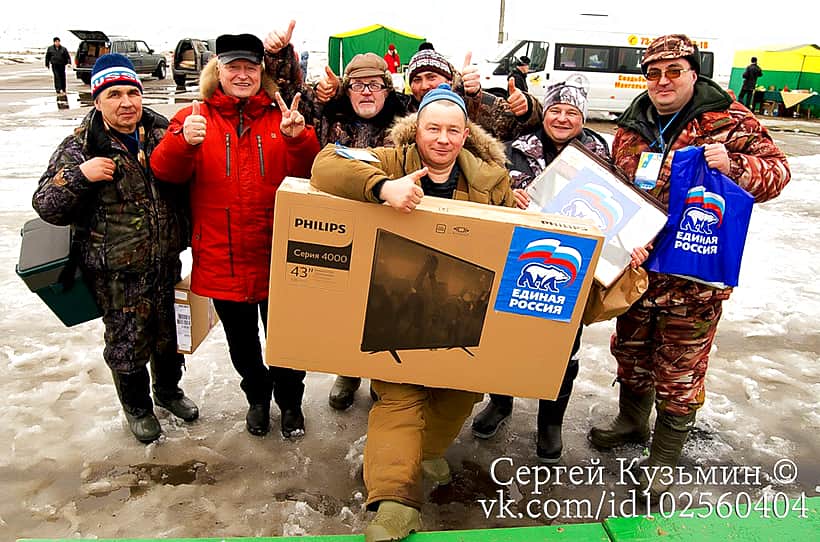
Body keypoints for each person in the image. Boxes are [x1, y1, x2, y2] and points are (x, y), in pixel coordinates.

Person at [588, 34, 790, 498]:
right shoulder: (633, 123)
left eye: (674, 71)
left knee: (680, 367)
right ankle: (631, 421)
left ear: (693, 74)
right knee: (631, 353)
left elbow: (779, 172)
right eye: (654, 73)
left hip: (693, 276)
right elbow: (617, 189)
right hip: (638, 273)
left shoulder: (728, 118)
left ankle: (663, 457)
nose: (663, 81)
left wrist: (735, 165)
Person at [311, 84, 515, 542]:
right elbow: (325, 164)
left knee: (459, 396)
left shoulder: (492, 179)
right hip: (399, 308)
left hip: (463, 313)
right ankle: (394, 501)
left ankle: (423, 452)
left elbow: (517, 239)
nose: (442, 139)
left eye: (453, 131)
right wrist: (382, 188)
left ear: (466, 135)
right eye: (432, 128)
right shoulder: (389, 159)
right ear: (415, 129)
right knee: (399, 398)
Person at [150, 32, 320, 439]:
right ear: (218, 71)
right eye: (233, 67)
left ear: (261, 73)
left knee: (288, 341)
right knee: (242, 345)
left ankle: (291, 402)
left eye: (250, 68)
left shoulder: (282, 117)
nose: (242, 75)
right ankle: (257, 399)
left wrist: (299, 140)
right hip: (222, 257)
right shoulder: (194, 117)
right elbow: (164, 171)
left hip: (278, 256)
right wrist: (182, 143)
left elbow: (312, 175)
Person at [470, 74, 647, 464]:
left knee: (563, 348)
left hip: (573, 272)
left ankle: (551, 421)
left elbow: (622, 212)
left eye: (571, 111)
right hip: (519, 264)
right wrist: (508, 197)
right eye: (555, 110)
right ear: (545, 112)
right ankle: (501, 402)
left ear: (582, 116)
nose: (562, 118)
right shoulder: (515, 149)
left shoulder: (601, 156)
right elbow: (490, 195)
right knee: (506, 341)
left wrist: (630, 248)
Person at [32, 53, 198, 444]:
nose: (126, 103)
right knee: (128, 342)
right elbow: (46, 205)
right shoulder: (81, 146)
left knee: (170, 337)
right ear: (97, 100)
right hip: (117, 274)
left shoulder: (162, 133)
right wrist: (80, 176)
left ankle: (168, 391)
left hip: (166, 262)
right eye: (114, 95)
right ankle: (138, 408)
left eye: (132, 93)